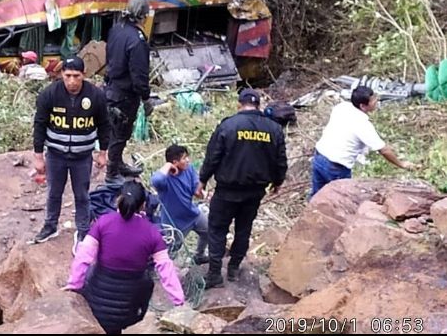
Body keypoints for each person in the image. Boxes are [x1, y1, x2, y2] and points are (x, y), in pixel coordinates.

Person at [63, 181, 185, 335]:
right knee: (147, 280)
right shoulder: (152, 233)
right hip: (130, 310)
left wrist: (73, 285)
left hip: (97, 303)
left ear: (117, 200)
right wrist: (179, 302)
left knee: (92, 270)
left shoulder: (103, 223)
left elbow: (83, 256)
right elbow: (166, 271)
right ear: (143, 206)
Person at [197, 88, 287, 288]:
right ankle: (234, 268)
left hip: (227, 190)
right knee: (243, 229)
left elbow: (213, 157)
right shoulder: (274, 129)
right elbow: (280, 160)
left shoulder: (228, 125)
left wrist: (202, 180)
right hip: (254, 192)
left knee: (217, 229)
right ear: (258, 105)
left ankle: (214, 274)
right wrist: (278, 181)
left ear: (239, 104)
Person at [31, 57, 110, 248]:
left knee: (82, 194)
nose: (72, 81)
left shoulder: (96, 96)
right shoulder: (49, 94)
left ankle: (83, 231)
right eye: (68, 76)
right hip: (56, 155)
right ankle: (50, 226)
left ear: (84, 75)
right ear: (61, 75)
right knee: (53, 193)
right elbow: (40, 125)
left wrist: (103, 152)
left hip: (82, 157)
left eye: (76, 76)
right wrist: (38, 156)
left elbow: (104, 125)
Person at [312, 85, 417, 196]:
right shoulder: (362, 124)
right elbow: (384, 150)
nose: (376, 100)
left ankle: (311, 211)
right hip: (336, 166)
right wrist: (402, 164)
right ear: (362, 106)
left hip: (319, 157)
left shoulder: (342, 107)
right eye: (373, 100)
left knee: (317, 195)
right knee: (343, 201)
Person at [105, 0, 159, 182]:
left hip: (112, 88)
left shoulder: (116, 30)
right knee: (120, 134)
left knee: (115, 131)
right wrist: (146, 98)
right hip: (126, 95)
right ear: (143, 16)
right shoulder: (137, 40)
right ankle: (112, 174)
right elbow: (139, 74)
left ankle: (118, 164)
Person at [150, 144, 209, 264]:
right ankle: (162, 274)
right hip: (175, 223)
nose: (187, 160)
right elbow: (155, 180)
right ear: (175, 162)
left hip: (192, 214)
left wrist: (203, 193)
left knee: (209, 231)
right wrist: (168, 166)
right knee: (171, 252)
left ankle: (199, 255)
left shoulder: (189, 169)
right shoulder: (165, 180)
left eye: (187, 157)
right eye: (184, 158)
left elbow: (195, 188)